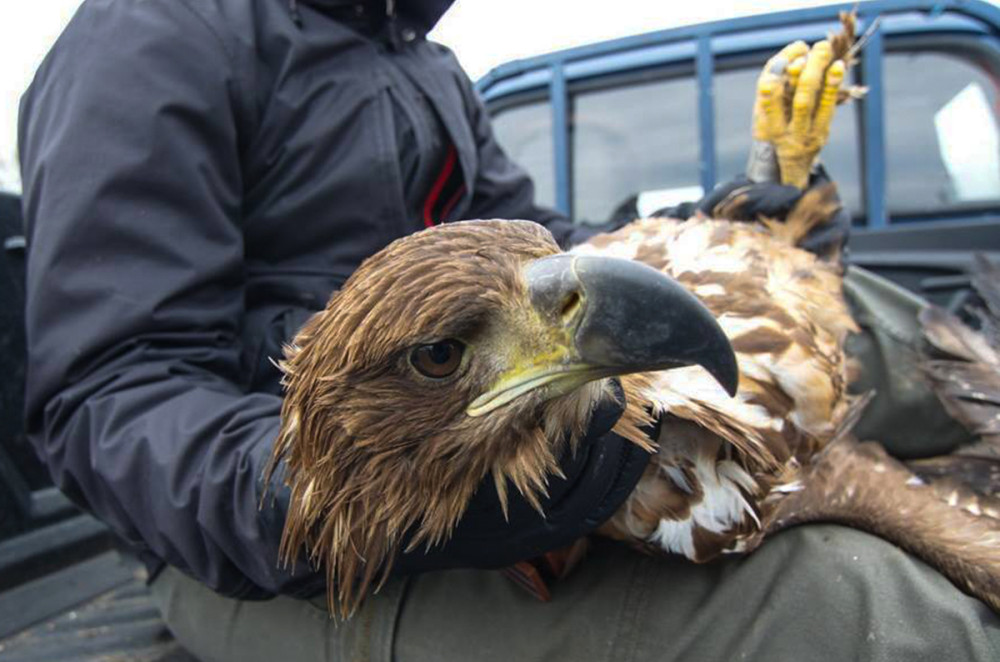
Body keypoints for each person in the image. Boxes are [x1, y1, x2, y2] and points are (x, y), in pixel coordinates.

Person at [17, 1, 998, 660]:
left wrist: (743, 220)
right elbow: (111, 394)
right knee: (863, 609)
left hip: (463, 409)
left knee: (853, 313)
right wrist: (366, 493)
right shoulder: (149, 39)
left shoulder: (411, 59)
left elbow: (556, 252)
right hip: (269, 546)